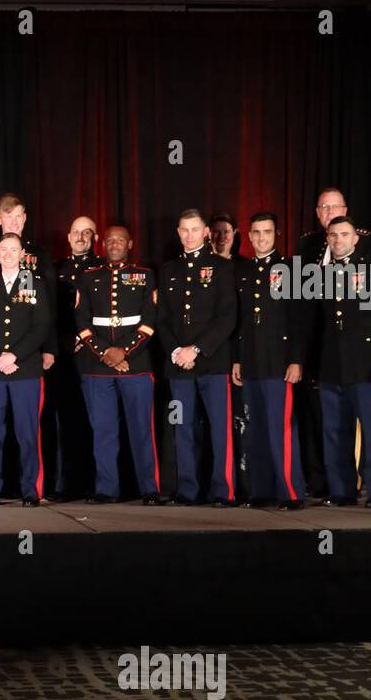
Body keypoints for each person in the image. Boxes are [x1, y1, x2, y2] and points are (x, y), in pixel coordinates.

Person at [72, 224, 163, 505]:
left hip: (135, 365)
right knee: (103, 431)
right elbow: (82, 322)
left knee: (142, 430)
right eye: (109, 239)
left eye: (120, 239)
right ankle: (106, 489)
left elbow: (150, 322)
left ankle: (149, 488)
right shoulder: (88, 277)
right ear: (102, 243)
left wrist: (124, 352)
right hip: (97, 367)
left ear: (130, 243)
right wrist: (106, 353)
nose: (114, 244)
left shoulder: (146, 276)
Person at [316, 216, 371, 508]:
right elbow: (317, 322)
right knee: (334, 429)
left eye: (344, 234)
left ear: (355, 239)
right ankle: (342, 490)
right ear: (327, 239)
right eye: (333, 235)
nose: (338, 240)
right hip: (330, 363)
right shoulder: (321, 274)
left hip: (365, 363)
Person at [156, 208, 238, 506]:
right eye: (184, 230)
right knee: (182, 429)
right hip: (178, 366)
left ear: (206, 232)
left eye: (195, 229)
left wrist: (197, 349)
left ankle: (222, 490)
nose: (189, 235)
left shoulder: (222, 267)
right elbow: (161, 318)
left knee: (219, 428)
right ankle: (187, 490)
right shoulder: (169, 270)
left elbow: (227, 317)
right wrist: (178, 351)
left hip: (212, 363)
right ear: (178, 233)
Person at [232, 212, 306, 509]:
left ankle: (291, 491)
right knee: (256, 428)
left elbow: (298, 320)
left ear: (277, 234)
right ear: (249, 236)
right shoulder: (243, 271)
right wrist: (237, 359)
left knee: (281, 428)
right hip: (250, 361)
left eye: (267, 232)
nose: (261, 238)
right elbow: (240, 321)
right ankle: (261, 490)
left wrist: (296, 360)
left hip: (279, 362)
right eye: (256, 232)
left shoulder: (291, 269)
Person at [0, 233, 51, 506]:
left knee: (27, 432)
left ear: (21, 254)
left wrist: (14, 355)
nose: (7, 254)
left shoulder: (33, 283)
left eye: (13, 249)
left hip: (25, 369)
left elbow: (41, 326)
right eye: (3, 249)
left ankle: (31, 489)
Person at [52, 215, 102, 499]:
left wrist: (87, 339)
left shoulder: (104, 269)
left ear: (95, 238)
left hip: (93, 354)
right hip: (62, 355)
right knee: (63, 422)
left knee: (96, 422)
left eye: (87, 232)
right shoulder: (57, 268)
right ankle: (63, 484)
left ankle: (95, 484)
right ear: (68, 237)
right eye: (76, 232)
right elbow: (47, 313)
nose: (81, 237)